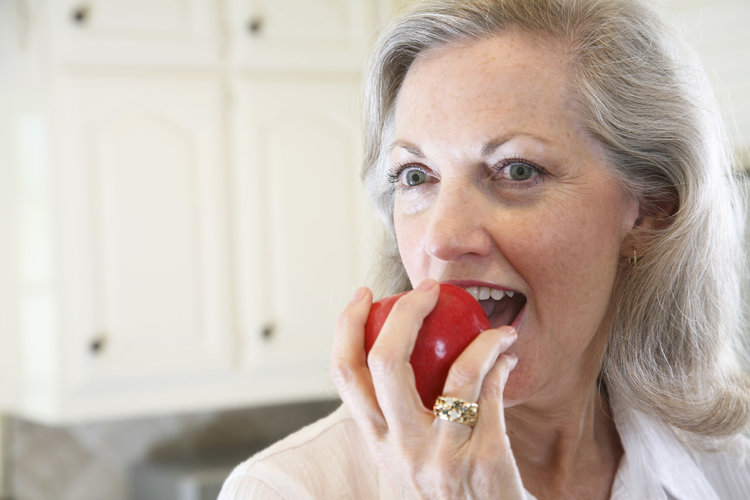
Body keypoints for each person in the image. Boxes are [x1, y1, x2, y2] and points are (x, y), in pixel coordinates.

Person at [219, 0, 750, 498]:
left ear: (652, 211)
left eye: (517, 170)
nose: (442, 239)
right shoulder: (285, 490)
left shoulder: (727, 464)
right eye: (415, 175)